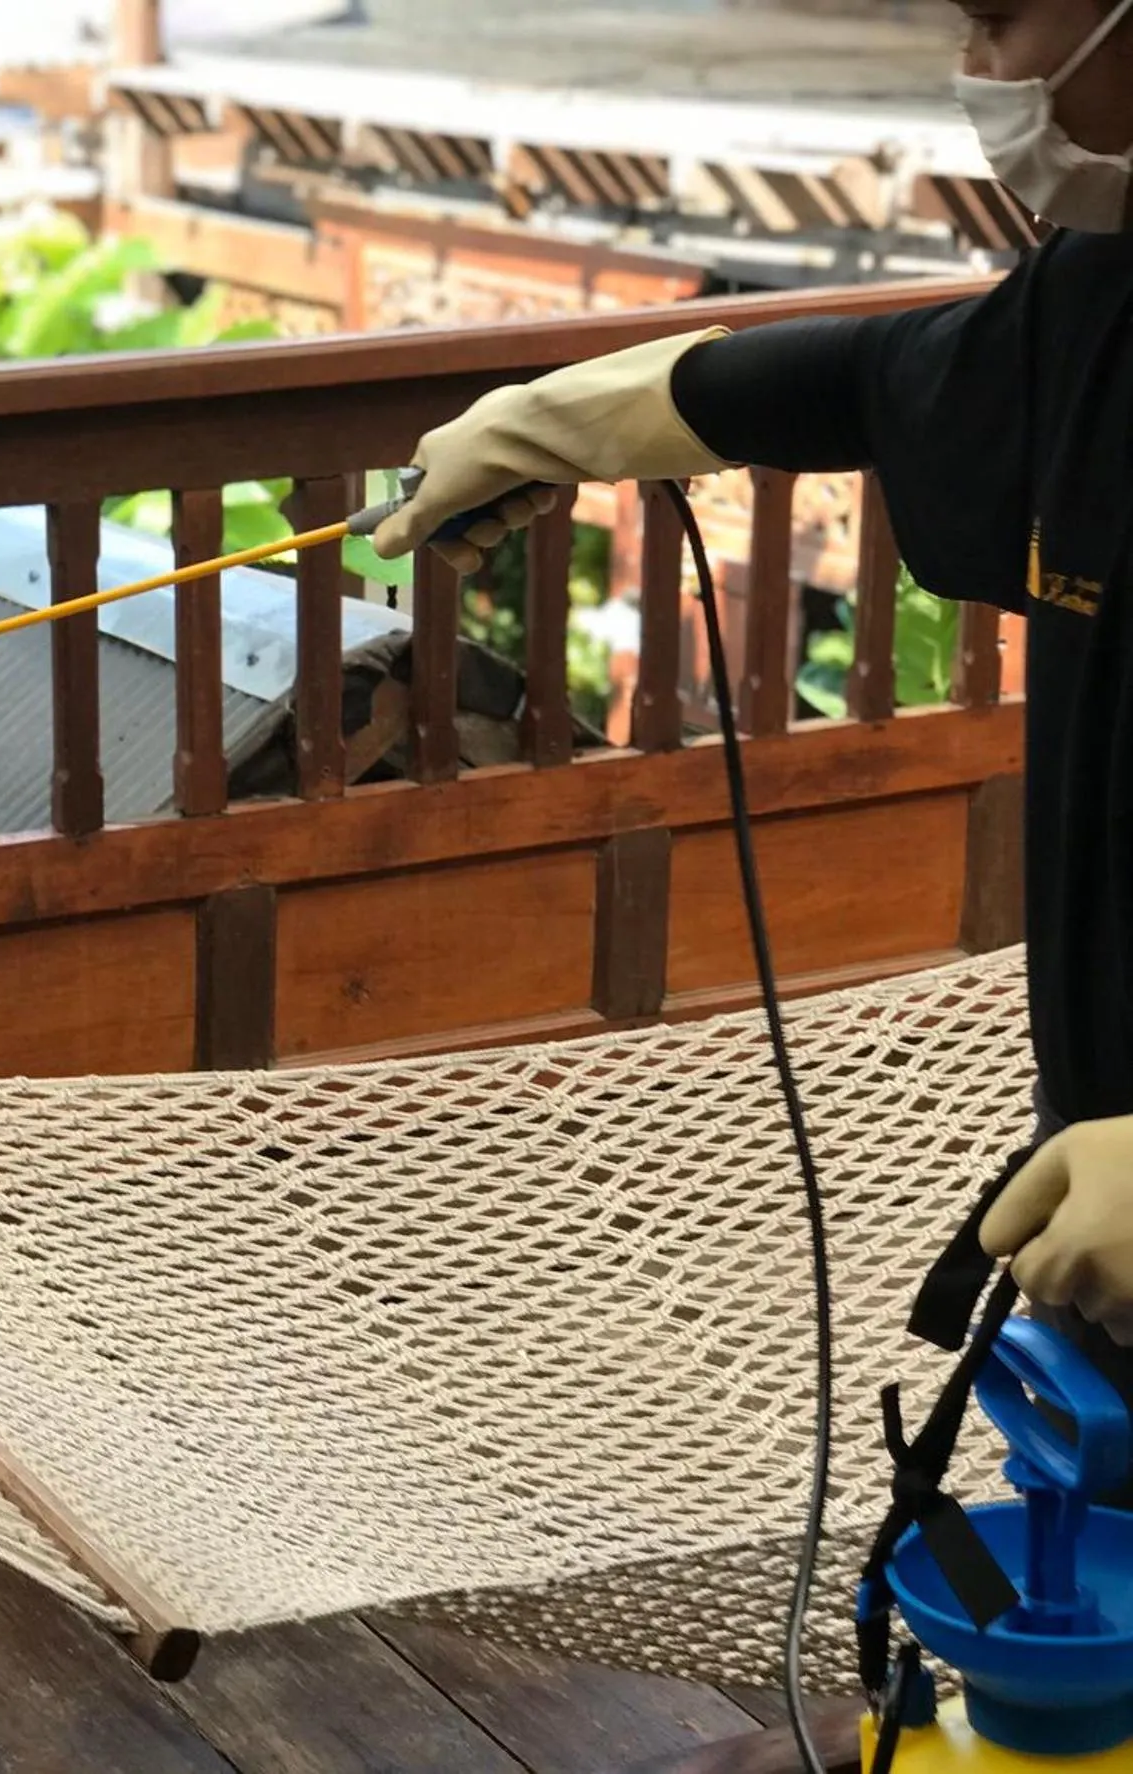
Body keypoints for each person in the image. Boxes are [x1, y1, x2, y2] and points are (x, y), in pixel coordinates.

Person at [370, 0, 1133, 1366]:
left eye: (1007, 19)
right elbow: (880, 378)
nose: (980, 74)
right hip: (1095, 1197)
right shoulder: (1100, 287)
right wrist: (564, 419)